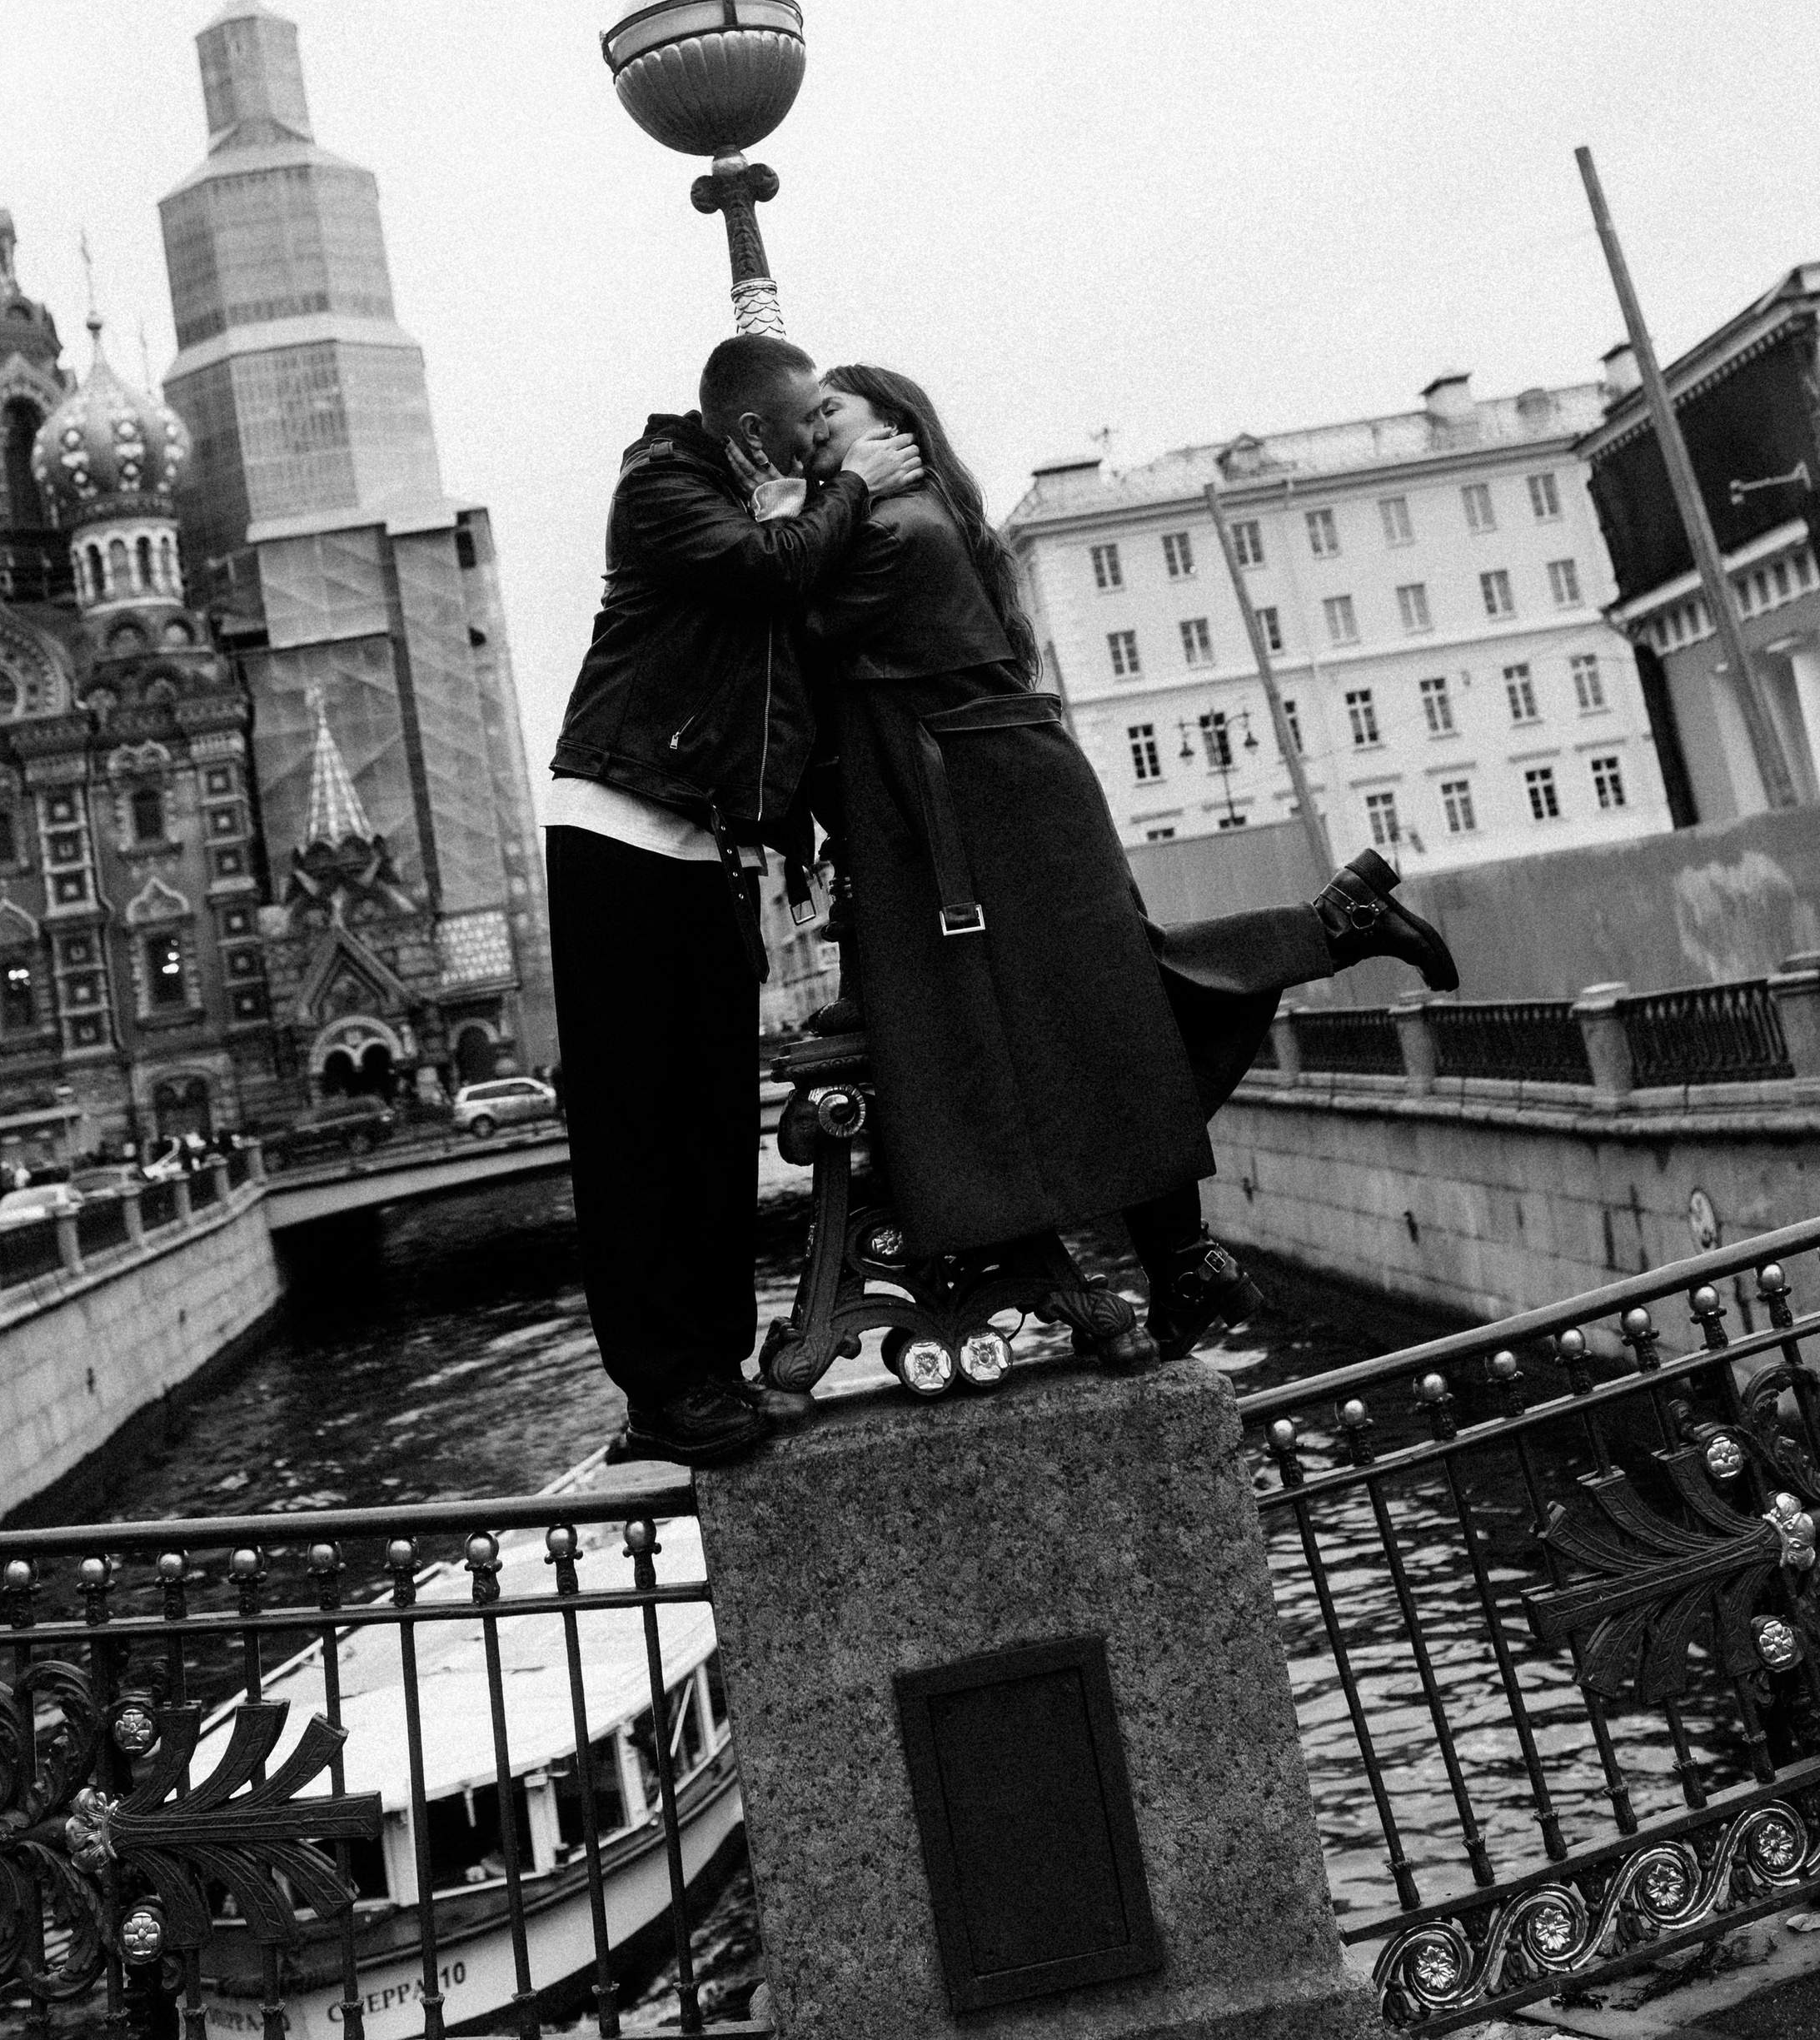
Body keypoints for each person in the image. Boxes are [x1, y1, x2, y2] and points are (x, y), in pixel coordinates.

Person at [778, 364, 1458, 1359]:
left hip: (990, 806)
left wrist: (801, 505)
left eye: (829, 410)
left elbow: (791, 628)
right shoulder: (905, 517)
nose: (813, 429)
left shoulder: (889, 526)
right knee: (1107, 1019)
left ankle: (1331, 935)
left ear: (897, 425)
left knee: (1103, 1014)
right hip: (994, 798)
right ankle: (1185, 1259)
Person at [545, 332, 923, 1465]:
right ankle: (661, 1393)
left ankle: (710, 1370)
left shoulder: (756, 503)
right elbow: (773, 573)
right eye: (811, 424)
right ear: (755, 432)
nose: (822, 442)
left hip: (700, 846)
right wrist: (860, 482)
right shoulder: (661, 489)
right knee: (634, 1126)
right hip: (614, 825)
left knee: (712, 1120)